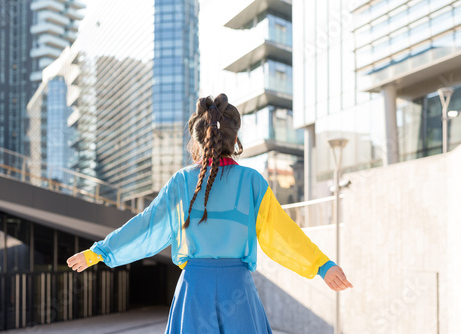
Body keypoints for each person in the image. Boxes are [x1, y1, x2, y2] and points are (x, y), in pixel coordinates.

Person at [67, 94, 353, 333]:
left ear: (198, 139)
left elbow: (146, 225)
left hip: (194, 292)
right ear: (234, 138)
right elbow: (283, 233)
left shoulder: (181, 182)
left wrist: (99, 252)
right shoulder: (252, 182)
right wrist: (322, 266)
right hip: (238, 292)